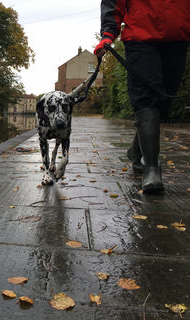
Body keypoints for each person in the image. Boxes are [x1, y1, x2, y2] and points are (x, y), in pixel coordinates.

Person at [94, 0, 190, 194]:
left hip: (179, 34)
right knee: (147, 97)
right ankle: (152, 168)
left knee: (163, 100)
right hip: (140, 36)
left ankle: (136, 152)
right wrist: (108, 33)